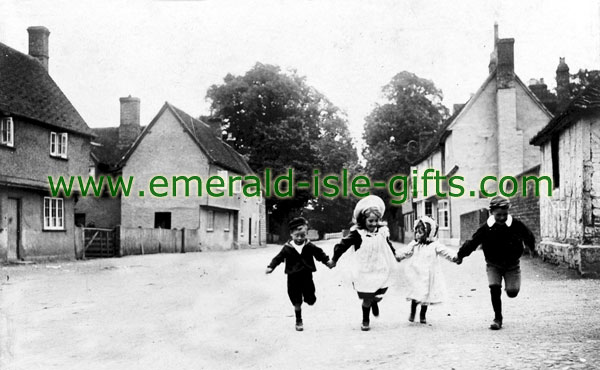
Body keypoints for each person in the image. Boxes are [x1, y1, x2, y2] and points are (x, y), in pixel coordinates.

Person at [456, 196, 536, 330]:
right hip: (493, 264)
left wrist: (532, 248)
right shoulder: (486, 228)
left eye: (505, 214)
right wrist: (460, 255)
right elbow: (472, 242)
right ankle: (497, 318)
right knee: (494, 287)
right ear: (491, 212)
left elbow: (528, 235)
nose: (502, 218)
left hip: (512, 265)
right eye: (498, 215)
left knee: (512, 292)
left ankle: (509, 286)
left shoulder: (515, 225)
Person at [330, 195, 396, 331]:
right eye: (370, 221)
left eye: (376, 221)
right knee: (366, 297)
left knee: (378, 295)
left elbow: (388, 245)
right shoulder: (357, 233)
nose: (373, 224)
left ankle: (374, 302)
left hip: (380, 267)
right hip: (364, 270)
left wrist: (396, 255)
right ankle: (365, 320)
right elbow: (342, 245)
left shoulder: (382, 232)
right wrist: (334, 259)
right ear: (363, 219)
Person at [266, 217, 334, 331]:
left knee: (310, 297)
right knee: (296, 299)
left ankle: (309, 298)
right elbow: (278, 258)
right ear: (291, 234)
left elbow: (319, 254)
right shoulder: (287, 248)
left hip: (307, 276)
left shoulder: (309, 245)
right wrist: (271, 267)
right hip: (293, 277)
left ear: (306, 234)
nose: (299, 238)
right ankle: (298, 320)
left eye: (302, 235)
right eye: (297, 235)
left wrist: (327, 261)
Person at [395, 216, 458, 324]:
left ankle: (422, 315)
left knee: (425, 296)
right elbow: (406, 251)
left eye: (420, 232)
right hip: (415, 273)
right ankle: (412, 312)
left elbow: (445, 251)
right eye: (416, 232)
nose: (417, 235)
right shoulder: (414, 245)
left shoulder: (434, 246)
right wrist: (397, 255)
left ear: (428, 233)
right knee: (415, 293)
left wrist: (455, 257)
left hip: (428, 276)